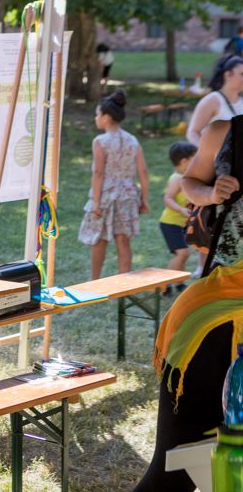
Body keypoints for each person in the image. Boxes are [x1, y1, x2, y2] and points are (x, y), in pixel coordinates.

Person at [134, 116, 243, 491]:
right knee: (176, 471)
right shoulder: (226, 131)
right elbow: (190, 182)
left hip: (209, 314)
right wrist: (211, 194)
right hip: (212, 311)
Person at [78, 90, 150, 280]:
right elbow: (143, 172)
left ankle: (94, 282)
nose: (96, 118)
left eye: (97, 114)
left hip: (106, 197)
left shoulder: (101, 141)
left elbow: (98, 173)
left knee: (99, 240)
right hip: (128, 196)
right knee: (123, 240)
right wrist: (145, 199)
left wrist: (95, 202)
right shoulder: (132, 140)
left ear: (106, 117)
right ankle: (124, 285)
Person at [158, 141, 199, 293]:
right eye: (195, 159)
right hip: (170, 224)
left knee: (183, 254)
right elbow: (167, 198)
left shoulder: (187, 177)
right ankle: (164, 285)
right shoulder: (177, 178)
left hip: (181, 224)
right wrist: (181, 209)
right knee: (183, 253)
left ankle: (179, 283)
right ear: (184, 161)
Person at [186, 54, 243, 145]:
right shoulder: (212, 100)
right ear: (228, 75)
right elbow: (193, 132)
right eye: (242, 74)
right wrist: (206, 152)